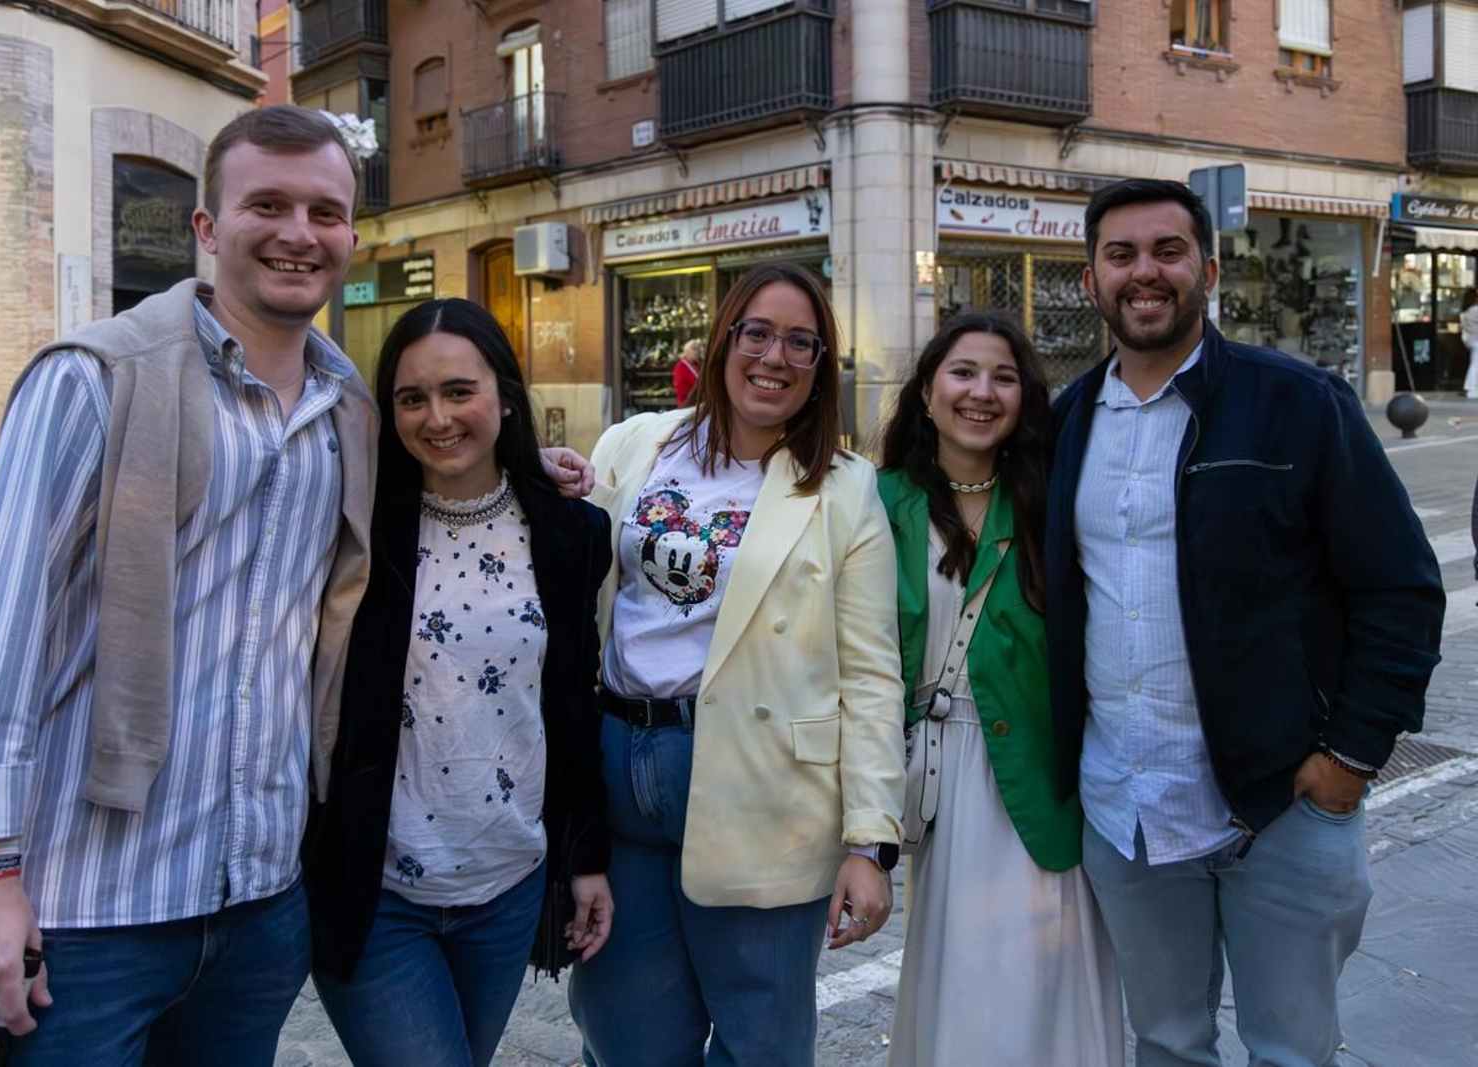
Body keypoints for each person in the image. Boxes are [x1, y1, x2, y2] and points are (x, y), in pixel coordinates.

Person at [0, 105, 592, 1066]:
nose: (298, 233)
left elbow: (447, 487)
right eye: (266, 204)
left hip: (259, 914)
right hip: (86, 914)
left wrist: (533, 471)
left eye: (324, 210)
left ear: (352, 233)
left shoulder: (348, 410)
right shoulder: (95, 381)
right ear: (207, 226)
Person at [1047, 178, 1445, 1066]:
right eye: (1121, 255)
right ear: (1091, 281)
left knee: (1293, 1052)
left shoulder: (1299, 402)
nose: (1144, 272)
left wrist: (1350, 757)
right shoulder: (1064, 423)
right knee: (1166, 1043)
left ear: (1210, 270)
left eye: (1167, 251)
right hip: (1128, 812)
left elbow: (1401, 588)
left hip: (1281, 810)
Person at [568, 263, 904, 1066]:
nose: (775, 356)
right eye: (757, 332)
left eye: (801, 342)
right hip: (618, 769)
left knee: (760, 1039)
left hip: (764, 786)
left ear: (821, 368)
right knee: (626, 1035)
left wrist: (871, 840)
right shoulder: (635, 441)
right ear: (723, 340)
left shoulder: (846, 488)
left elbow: (870, 671)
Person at [302, 298, 613, 1067]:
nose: (436, 416)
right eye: (412, 397)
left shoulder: (571, 533)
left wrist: (587, 857)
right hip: (379, 891)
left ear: (504, 394)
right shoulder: (354, 521)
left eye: (458, 391)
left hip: (505, 886)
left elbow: (574, 706)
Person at [879, 313, 1122, 1065]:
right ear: (926, 392)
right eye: (962, 372)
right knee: (963, 972)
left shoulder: (1056, 497)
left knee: (1045, 969)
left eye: (1005, 376)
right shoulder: (878, 500)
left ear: (1025, 399)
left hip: (1041, 772)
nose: (981, 392)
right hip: (936, 777)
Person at [672, 338, 703, 406]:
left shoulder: (698, 365)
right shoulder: (680, 366)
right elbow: (679, 385)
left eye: (698, 349)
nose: (697, 352)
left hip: (699, 402)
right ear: (687, 351)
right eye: (694, 349)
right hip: (687, 402)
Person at [1460, 287, 1478, 398]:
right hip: (1476, 340)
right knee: (1475, 365)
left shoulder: (1465, 312)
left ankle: (1471, 387)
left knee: (1475, 364)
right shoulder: (1475, 310)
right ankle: (1471, 388)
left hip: (1469, 340)